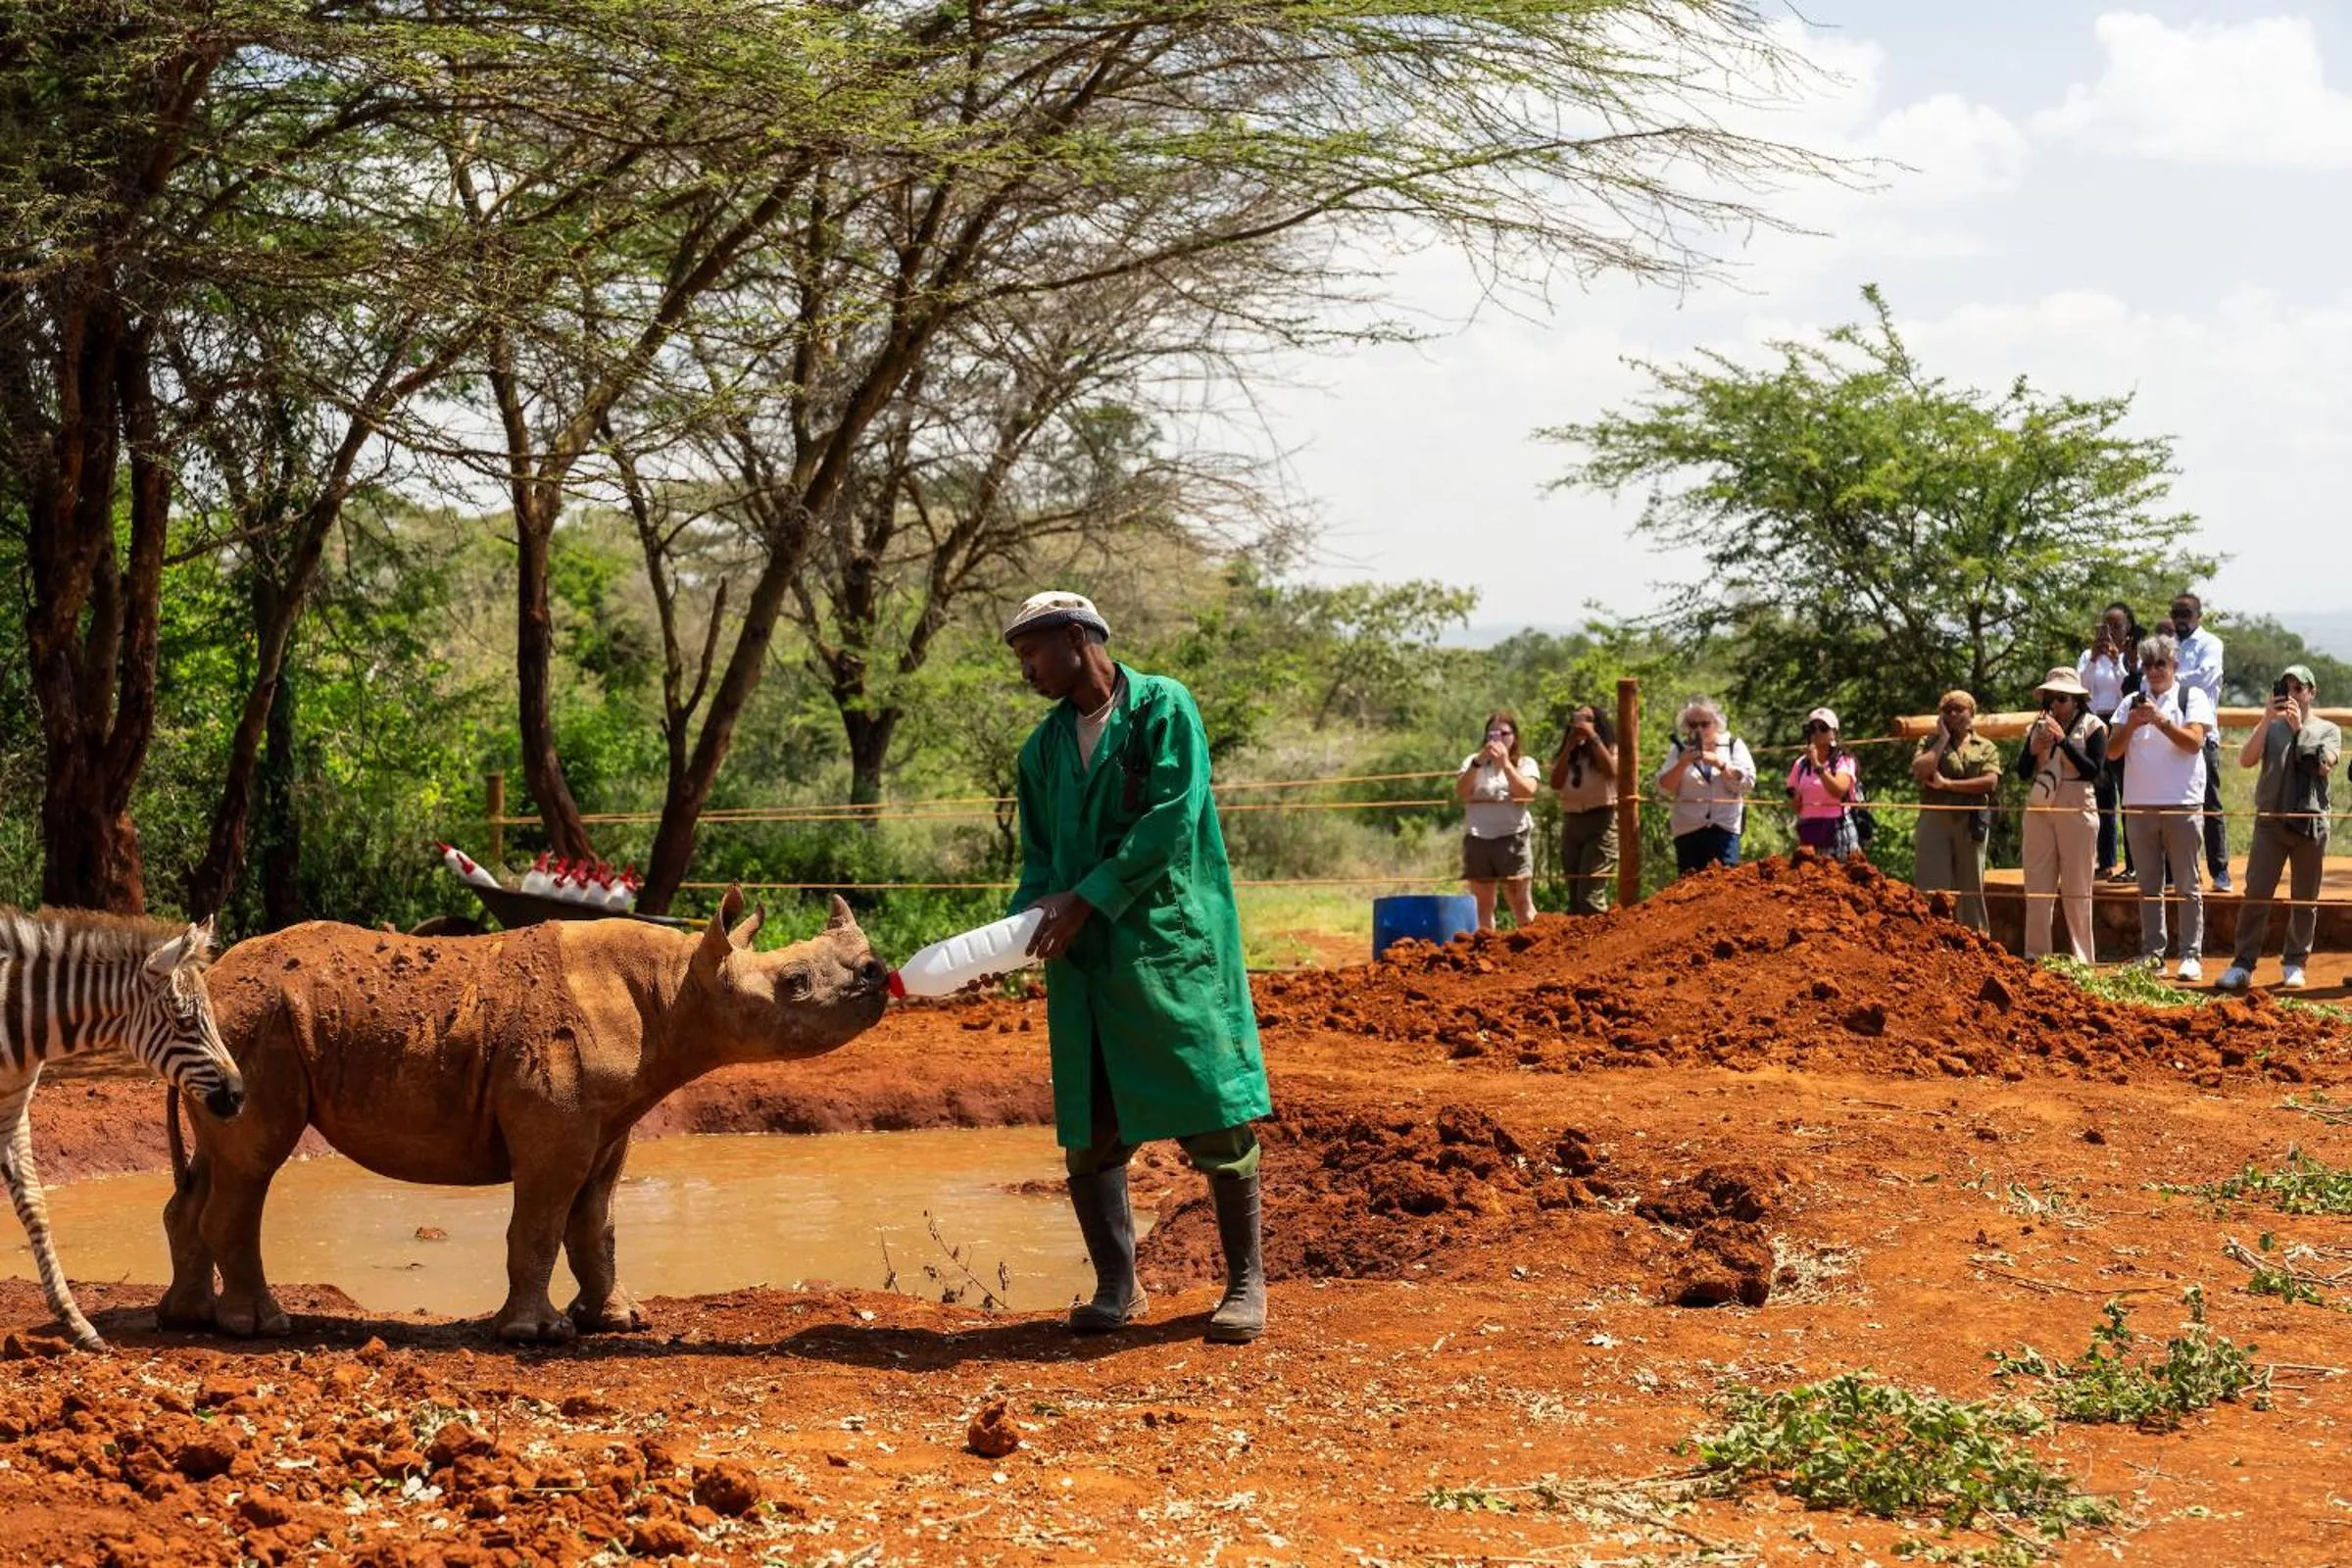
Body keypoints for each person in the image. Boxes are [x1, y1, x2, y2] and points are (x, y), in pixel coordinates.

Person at [1004, 591, 1272, 1344]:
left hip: (1167, 945)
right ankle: (1117, 1286)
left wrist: (1085, 900)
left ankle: (1247, 1282)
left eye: (1032, 652)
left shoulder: (1163, 708)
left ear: (1076, 637)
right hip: (1084, 960)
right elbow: (1039, 860)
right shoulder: (1041, 752)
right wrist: (1019, 929)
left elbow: (1170, 821)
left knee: (1210, 1105)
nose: (1026, 670)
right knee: (1089, 1126)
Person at [2218, 664, 2341, 992]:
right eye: (2287, 689)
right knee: (2256, 894)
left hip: (2310, 826)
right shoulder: (2270, 727)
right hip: (2270, 823)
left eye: (2299, 689)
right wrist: (2264, 720)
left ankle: (2295, 962)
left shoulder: (2328, 730)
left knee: (2305, 899)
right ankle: (2242, 964)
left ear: (2311, 692)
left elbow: (2324, 767)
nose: (2293, 695)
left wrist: (2299, 731)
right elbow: (2245, 760)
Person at [2110, 632, 2214, 981]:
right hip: (2138, 804)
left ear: (2174, 666)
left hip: (2182, 802)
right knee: (2149, 886)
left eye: (2161, 664)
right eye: (2148, 664)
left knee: (2187, 883)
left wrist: (2161, 721)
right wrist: (2133, 724)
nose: (2154, 671)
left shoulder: (2192, 696)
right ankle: (2152, 954)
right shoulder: (2130, 703)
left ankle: (2190, 955)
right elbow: (2111, 752)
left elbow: (2195, 742)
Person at [2013, 666, 2108, 963]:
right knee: (2037, 884)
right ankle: (2036, 956)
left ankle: (2083, 960)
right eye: (2050, 698)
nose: (2055, 704)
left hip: (2077, 803)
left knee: (2077, 887)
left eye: (2062, 698)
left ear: (2077, 700)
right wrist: (2033, 748)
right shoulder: (2036, 727)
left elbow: (2095, 771)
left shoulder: (2093, 726)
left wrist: (2063, 741)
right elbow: (2021, 772)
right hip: (2041, 804)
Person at [1909, 690, 2003, 931]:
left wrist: (1948, 785)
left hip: (1971, 821)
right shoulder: (1929, 742)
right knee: (1931, 885)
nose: (1952, 714)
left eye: (1958, 709)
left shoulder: (1986, 746)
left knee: (1971, 887)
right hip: (1935, 818)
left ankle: (1976, 942)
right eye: (1947, 709)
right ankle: (1929, 937)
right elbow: (1920, 770)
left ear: (1971, 713)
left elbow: (1990, 782)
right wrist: (1941, 740)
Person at [1456, 710, 1542, 931]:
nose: (1497, 739)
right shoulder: (1472, 762)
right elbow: (1462, 792)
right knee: (1483, 908)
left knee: (1521, 904)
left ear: (1514, 736)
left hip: (1512, 838)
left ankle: (1532, 953)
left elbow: (1526, 793)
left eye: (1503, 733)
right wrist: (1477, 763)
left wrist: (1506, 764)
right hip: (1478, 839)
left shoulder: (1525, 763)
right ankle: (1488, 954)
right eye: (1492, 734)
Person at [2170, 592, 2230, 891]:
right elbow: (2147, 680)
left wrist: (2168, 678)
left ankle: (2220, 871)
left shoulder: (2210, 644)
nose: (2180, 620)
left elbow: (2205, 677)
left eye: (2186, 614)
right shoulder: (2167, 644)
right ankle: (2175, 874)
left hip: (2202, 736)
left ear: (2199, 616)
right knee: (2171, 806)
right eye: (2176, 614)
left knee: (2209, 804)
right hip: (2167, 736)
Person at [1656, 696, 1754, 875]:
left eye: (1705, 724)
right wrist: (1682, 763)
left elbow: (1747, 783)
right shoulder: (1679, 750)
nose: (1699, 729)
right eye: (1693, 725)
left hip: (1724, 830)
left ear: (1716, 723)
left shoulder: (1733, 745)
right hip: (1688, 831)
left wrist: (1719, 763)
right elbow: (1663, 788)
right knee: (1688, 889)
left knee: (1724, 887)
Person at [2079, 604, 2136, 881]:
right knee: (2103, 798)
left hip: (2121, 727)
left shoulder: (2131, 659)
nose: (2110, 632)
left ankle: (2133, 863)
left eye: (2116, 627)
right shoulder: (2088, 657)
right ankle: (2106, 861)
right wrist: (2093, 658)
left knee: (2129, 797)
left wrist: (2117, 663)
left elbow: (2127, 689)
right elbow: (2083, 689)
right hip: (2096, 726)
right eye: (2106, 626)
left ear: (2127, 630)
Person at [1546, 704, 1619, 914]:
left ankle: (1602, 942)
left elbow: (1612, 771)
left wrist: (1592, 737)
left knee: (1589, 896)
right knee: (1575, 893)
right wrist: (1569, 746)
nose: (1581, 723)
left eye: (1588, 719)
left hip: (1601, 821)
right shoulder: (1569, 752)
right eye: (1578, 718)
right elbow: (1555, 782)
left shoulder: (1609, 747)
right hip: (1572, 822)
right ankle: (1579, 942)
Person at [1786, 707, 1861, 858]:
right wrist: (1795, 802)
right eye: (1812, 728)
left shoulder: (1843, 761)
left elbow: (1839, 790)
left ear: (1834, 733)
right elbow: (1796, 799)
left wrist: (1817, 765)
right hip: (1810, 830)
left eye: (1823, 728)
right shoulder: (1800, 764)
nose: (1817, 732)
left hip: (1837, 829)